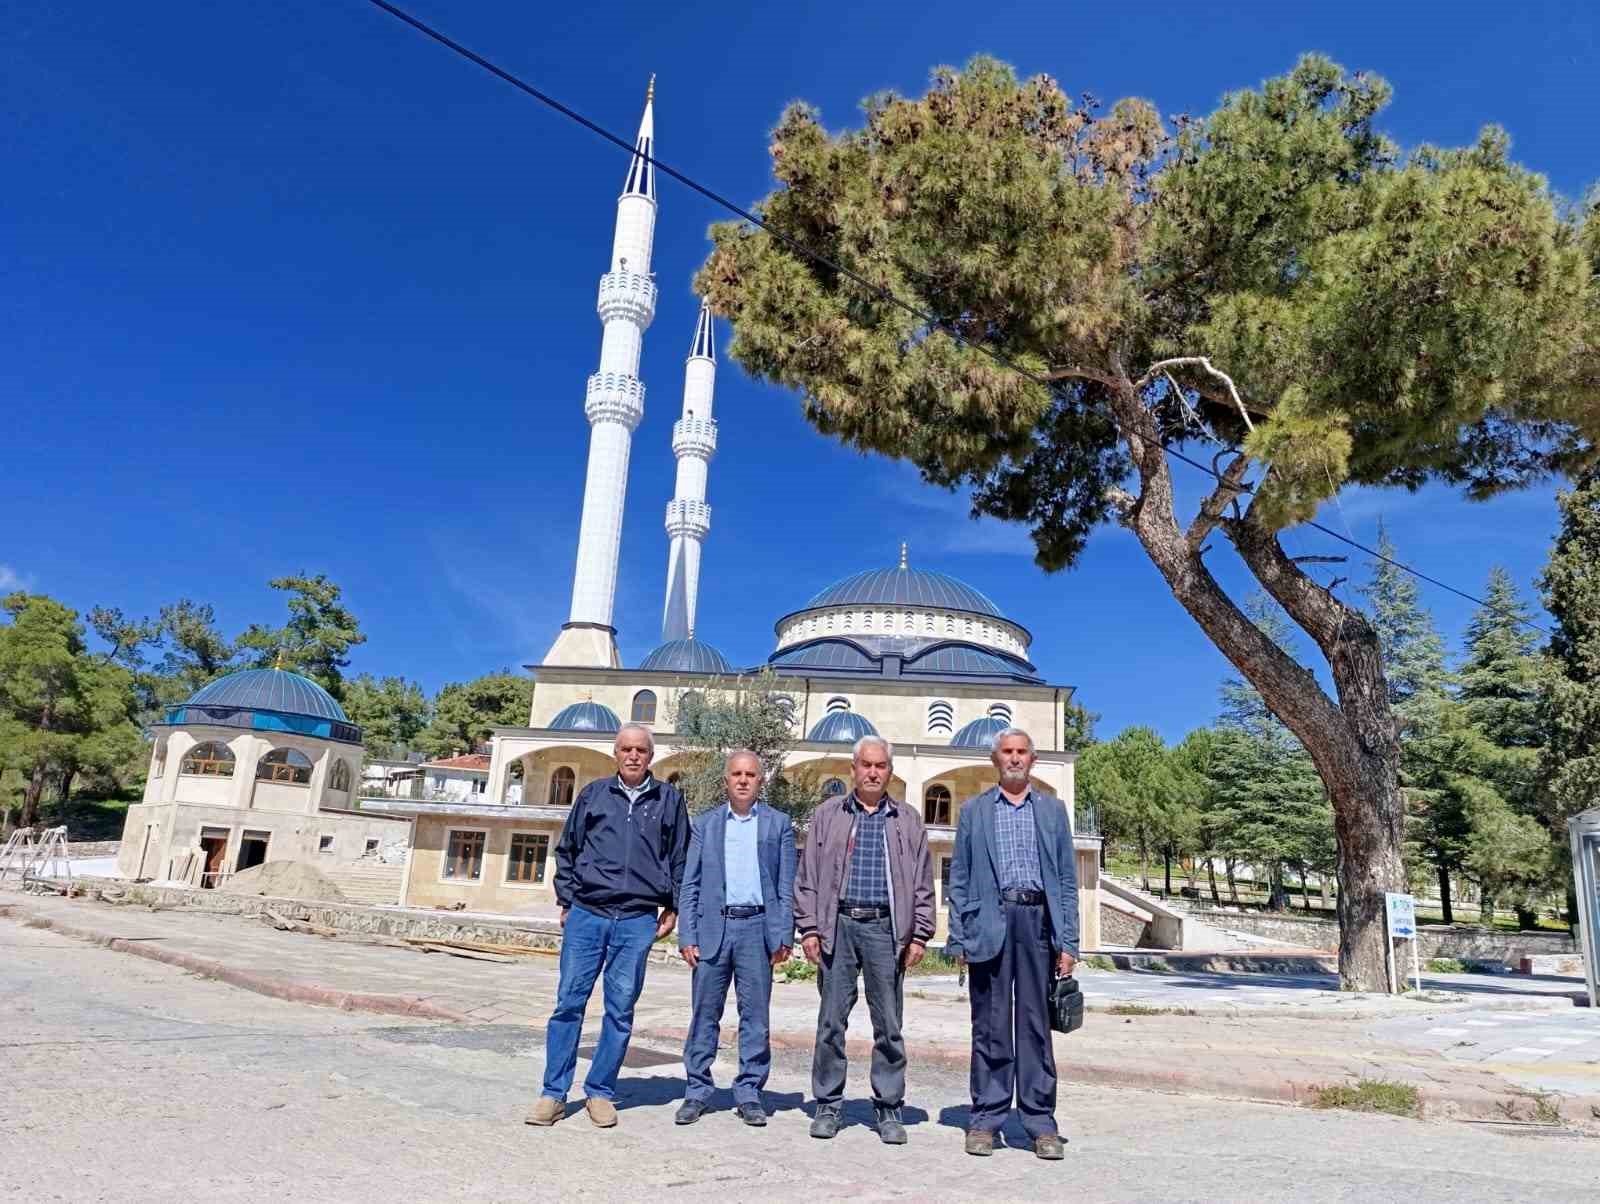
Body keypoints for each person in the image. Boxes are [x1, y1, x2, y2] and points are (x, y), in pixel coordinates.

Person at [526, 723, 690, 1129]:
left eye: (641, 750)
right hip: (588, 914)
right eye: (626, 749)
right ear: (616, 753)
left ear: (651, 756)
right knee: (569, 1004)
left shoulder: (669, 800)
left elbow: (680, 857)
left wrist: (673, 906)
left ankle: (600, 1092)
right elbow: (568, 849)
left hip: (637, 920)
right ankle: (553, 1094)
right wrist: (567, 900)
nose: (633, 756)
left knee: (620, 1010)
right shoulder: (594, 794)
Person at [945, 727, 1079, 1160]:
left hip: (1038, 923)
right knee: (990, 1024)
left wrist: (1069, 942)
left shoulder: (1053, 811)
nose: (1015, 758)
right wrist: (958, 937)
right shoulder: (975, 811)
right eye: (1007, 751)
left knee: (1036, 1026)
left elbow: (1066, 880)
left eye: (1022, 751)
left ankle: (1040, 1123)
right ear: (995, 760)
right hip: (989, 923)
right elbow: (959, 877)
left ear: (1033, 760)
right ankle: (986, 1118)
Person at [795, 735, 935, 1144]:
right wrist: (809, 927)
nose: (873, 772)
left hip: (886, 931)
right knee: (830, 1021)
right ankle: (827, 1104)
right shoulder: (828, 815)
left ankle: (888, 1107)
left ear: (890, 771)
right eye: (866, 765)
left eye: (880, 766)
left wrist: (919, 934)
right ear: (853, 769)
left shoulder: (907, 819)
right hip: (837, 926)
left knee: (888, 1024)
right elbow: (808, 875)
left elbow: (923, 882)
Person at [676, 750, 798, 1127]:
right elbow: (690, 884)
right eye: (736, 774)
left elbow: (786, 886)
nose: (743, 780)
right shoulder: (705, 825)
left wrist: (784, 934)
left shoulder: (779, 825)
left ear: (761, 780)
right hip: (714, 929)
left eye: (750, 774)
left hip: (757, 930)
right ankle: (697, 1090)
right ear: (726, 780)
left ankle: (749, 1092)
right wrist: (687, 934)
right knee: (704, 1014)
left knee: (755, 1017)